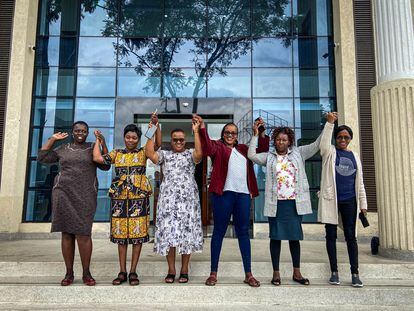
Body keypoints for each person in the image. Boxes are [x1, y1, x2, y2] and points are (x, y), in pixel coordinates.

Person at [248, 115, 332, 286]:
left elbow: (317, 145)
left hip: (294, 204)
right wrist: (255, 135)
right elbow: (251, 156)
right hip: (276, 204)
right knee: (276, 238)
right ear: (275, 141)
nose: (280, 142)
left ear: (289, 141)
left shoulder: (299, 153)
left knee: (294, 238)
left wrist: (329, 124)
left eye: (284, 139)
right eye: (278, 139)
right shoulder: (269, 156)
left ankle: (297, 273)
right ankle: (276, 273)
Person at [194, 115, 269, 287]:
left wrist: (260, 132)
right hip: (223, 194)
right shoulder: (217, 146)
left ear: (237, 135)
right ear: (223, 133)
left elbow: (262, 149)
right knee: (219, 231)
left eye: (233, 133)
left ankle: (248, 274)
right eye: (227, 132)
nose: (230, 135)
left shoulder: (243, 148)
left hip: (242, 195)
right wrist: (202, 128)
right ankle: (213, 273)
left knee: (243, 232)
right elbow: (206, 148)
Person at [37, 121, 109, 286]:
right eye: (77, 130)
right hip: (63, 193)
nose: (80, 132)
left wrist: (102, 142)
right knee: (67, 233)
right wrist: (53, 139)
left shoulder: (92, 147)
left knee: (84, 233)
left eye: (84, 130)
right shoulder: (63, 148)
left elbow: (105, 165)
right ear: (72, 132)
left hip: (86, 195)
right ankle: (69, 273)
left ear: (87, 132)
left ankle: (86, 273)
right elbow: (42, 157)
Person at [93, 117, 161, 286]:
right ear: (124, 137)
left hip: (139, 199)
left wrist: (155, 126)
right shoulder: (116, 153)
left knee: (137, 238)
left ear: (138, 139)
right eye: (128, 137)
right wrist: (98, 141)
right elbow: (98, 159)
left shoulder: (143, 152)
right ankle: (122, 271)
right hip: (120, 200)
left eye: (134, 137)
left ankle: (133, 272)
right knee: (121, 238)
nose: (131, 140)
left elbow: (157, 145)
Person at [145, 118, 203, 284]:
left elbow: (200, 154)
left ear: (185, 141)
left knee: (186, 234)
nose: (178, 142)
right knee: (169, 234)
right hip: (168, 201)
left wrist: (197, 131)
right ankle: (171, 269)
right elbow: (149, 153)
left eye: (181, 139)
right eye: (175, 139)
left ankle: (184, 269)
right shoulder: (165, 154)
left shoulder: (190, 154)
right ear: (170, 141)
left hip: (188, 201)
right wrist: (152, 130)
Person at [318, 112, 368, 287]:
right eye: (339, 136)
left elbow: (360, 183)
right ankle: (334, 272)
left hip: (350, 201)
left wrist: (363, 205)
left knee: (350, 237)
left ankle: (355, 273)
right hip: (332, 200)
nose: (342, 139)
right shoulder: (330, 152)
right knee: (330, 235)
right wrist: (330, 123)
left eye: (346, 137)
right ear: (336, 138)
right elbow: (324, 143)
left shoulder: (355, 157)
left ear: (350, 139)